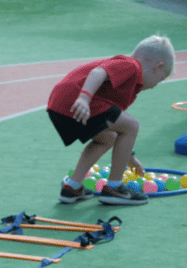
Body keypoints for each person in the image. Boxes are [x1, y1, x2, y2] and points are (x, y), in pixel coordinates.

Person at [47, 35, 175, 206]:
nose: (154, 86)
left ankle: (72, 187)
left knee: (108, 138)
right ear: (157, 67)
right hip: (76, 100)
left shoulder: (131, 86)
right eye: (160, 80)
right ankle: (114, 188)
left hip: (59, 105)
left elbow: (119, 132)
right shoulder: (131, 65)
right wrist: (84, 98)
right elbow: (98, 72)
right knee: (132, 125)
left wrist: (130, 158)